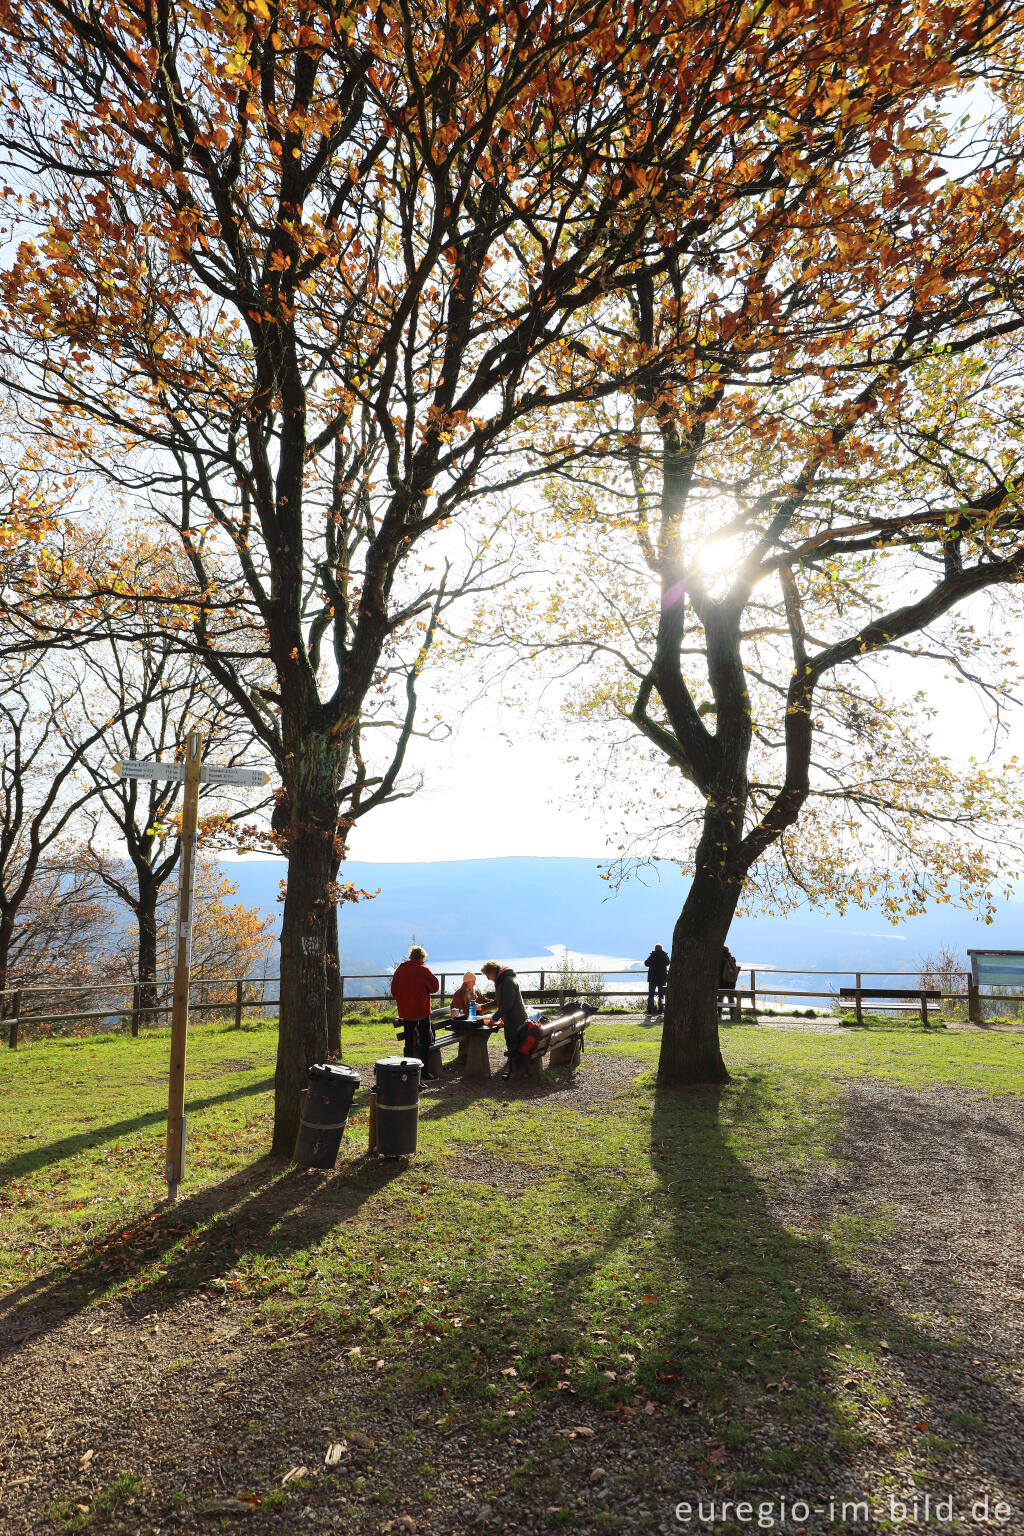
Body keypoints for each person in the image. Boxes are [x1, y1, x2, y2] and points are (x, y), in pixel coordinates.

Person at [390, 945, 440, 1082]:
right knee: (424, 1044)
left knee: (408, 1044)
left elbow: (394, 990)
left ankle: (406, 1072)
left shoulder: (400, 970)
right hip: (421, 1011)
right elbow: (435, 987)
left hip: (406, 1012)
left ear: (411, 956)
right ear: (422, 957)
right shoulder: (424, 970)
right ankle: (423, 1074)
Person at [481, 960, 528, 1079]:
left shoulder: (507, 981)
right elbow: (498, 1002)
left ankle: (514, 1072)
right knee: (513, 1044)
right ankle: (516, 1070)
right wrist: (481, 1008)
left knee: (513, 1045)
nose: (487, 978)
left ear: (492, 971)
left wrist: (494, 1018)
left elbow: (507, 1005)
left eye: (487, 975)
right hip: (510, 1019)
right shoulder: (502, 980)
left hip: (515, 1019)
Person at [645, 943, 669, 1016]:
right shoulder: (665, 956)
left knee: (651, 995)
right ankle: (660, 1011)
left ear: (655, 949)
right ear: (661, 948)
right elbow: (668, 962)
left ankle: (649, 1011)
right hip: (662, 978)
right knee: (661, 995)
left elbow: (646, 963)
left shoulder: (652, 955)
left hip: (652, 978)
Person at [718, 945, 741, 1020]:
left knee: (720, 998)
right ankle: (732, 1015)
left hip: (722, 982)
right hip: (731, 983)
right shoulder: (732, 959)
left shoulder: (720, 959)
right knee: (731, 998)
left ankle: (719, 1014)